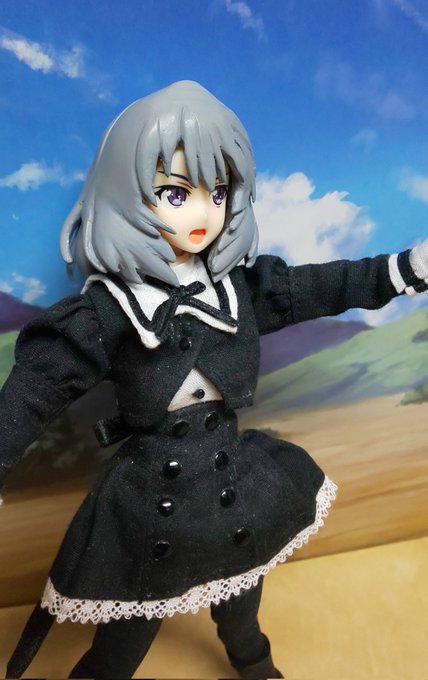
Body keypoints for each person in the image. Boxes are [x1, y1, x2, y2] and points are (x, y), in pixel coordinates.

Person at [2, 80, 427, 679]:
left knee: (243, 603)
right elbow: (33, 394)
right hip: (153, 501)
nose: (203, 213)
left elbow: (326, 286)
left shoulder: (241, 290)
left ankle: (254, 662)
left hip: (234, 484)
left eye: (219, 192)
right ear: (124, 195)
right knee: (123, 640)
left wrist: (405, 268)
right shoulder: (106, 312)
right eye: (175, 193)